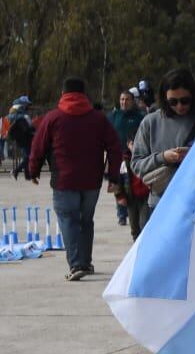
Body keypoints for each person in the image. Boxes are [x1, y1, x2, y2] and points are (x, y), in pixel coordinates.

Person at [26, 77, 123, 280]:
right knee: (86, 221)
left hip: (64, 181)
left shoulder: (52, 118)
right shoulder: (98, 119)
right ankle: (85, 262)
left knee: (68, 220)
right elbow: (115, 147)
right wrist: (113, 176)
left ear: (63, 94)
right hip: (92, 181)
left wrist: (33, 171)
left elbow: (38, 146)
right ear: (84, 95)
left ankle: (77, 264)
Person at [130, 68, 195, 232]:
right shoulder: (150, 122)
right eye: (173, 102)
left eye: (185, 100)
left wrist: (194, 156)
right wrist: (163, 157)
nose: (179, 106)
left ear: (193, 97)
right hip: (160, 205)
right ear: (164, 99)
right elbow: (136, 164)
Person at [109, 90, 146, 228]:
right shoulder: (114, 116)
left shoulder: (140, 117)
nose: (124, 102)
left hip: (134, 158)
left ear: (132, 101)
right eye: (122, 99)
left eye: (127, 99)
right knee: (118, 187)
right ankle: (121, 215)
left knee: (130, 187)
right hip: (117, 158)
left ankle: (134, 214)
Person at [8, 98, 34, 179]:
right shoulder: (21, 117)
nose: (29, 108)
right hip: (25, 140)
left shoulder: (14, 116)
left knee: (27, 156)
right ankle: (16, 171)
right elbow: (26, 129)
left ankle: (27, 175)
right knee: (28, 157)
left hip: (21, 140)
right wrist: (34, 131)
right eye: (27, 106)